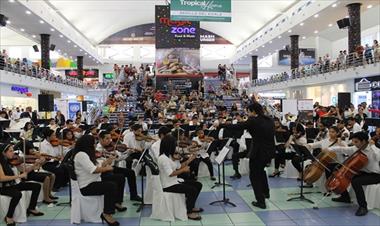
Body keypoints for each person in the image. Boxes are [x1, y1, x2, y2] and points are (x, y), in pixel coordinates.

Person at [221, 103, 275, 209]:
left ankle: (261, 201)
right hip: (269, 152)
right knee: (261, 171)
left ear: (253, 111)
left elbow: (238, 126)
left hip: (258, 152)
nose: (248, 113)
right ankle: (265, 192)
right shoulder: (270, 120)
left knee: (254, 176)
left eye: (248, 111)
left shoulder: (253, 120)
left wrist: (221, 125)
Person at [325, 132, 380, 216]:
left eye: (356, 142)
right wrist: (329, 149)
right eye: (353, 141)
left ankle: (363, 207)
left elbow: (378, 156)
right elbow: (342, 149)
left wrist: (373, 146)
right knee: (341, 173)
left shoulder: (374, 150)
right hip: (363, 172)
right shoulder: (355, 148)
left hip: (375, 175)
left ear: (364, 141)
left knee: (356, 181)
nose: (354, 144)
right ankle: (345, 197)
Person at [73, 135, 121, 226]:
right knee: (111, 186)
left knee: (114, 182)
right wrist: (107, 169)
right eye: (93, 143)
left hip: (93, 181)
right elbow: (93, 170)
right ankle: (107, 213)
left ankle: (111, 207)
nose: (95, 145)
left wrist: (107, 161)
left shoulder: (86, 154)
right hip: (86, 186)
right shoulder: (81, 155)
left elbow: (97, 165)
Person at [157, 135, 203, 220]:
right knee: (192, 190)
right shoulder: (163, 158)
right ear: (169, 145)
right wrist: (183, 170)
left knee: (198, 185)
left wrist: (190, 159)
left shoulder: (169, 156)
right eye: (174, 144)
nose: (175, 146)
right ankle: (189, 212)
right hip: (168, 185)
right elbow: (170, 174)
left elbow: (179, 166)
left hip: (175, 181)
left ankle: (191, 206)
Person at [0, 143, 44, 226]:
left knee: (36, 186)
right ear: (3, 153)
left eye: (13, 150)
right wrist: (19, 176)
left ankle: (31, 208)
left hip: (14, 184)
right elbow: (2, 178)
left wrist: (34, 165)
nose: (13, 153)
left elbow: (24, 171)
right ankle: (9, 217)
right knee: (17, 194)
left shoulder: (11, 162)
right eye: (10, 151)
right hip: (4, 187)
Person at [96, 131, 141, 201]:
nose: (110, 140)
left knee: (131, 172)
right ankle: (118, 200)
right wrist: (109, 157)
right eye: (107, 138)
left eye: (110, 138)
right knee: (120, 177)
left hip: (112, 168)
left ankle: (134, 195)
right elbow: (102, 164)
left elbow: (119, 158)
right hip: (104, 170)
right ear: (101, 139)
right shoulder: (98, 149)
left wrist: (128, 153)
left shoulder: (111, 147)